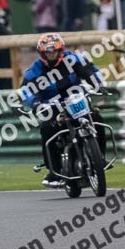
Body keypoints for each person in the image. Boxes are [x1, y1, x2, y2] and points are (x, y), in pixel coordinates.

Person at [21, 33, 106, 188]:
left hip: (76, 100)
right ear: (42, 53)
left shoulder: (74, 59)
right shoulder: (35, 69)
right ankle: (53, 170)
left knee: (97, 118)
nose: (51, 55)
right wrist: (36, 103)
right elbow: (27, 90)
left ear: (61, 50)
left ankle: (100, 157)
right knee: (47, 128)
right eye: (48, 52)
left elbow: (90, 71)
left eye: (54, 51)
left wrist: (99, 84)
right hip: (52, 106)